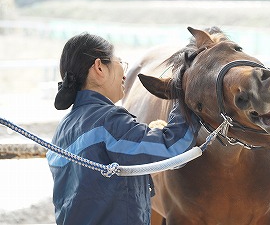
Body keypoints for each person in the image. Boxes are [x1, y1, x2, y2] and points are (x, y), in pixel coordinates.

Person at [46, 32, 200, 225]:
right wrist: (188, 93)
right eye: (120, 63)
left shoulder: (61, 132)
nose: (125, 75)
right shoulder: (107, 122)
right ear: (99, 67)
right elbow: (173, 147)